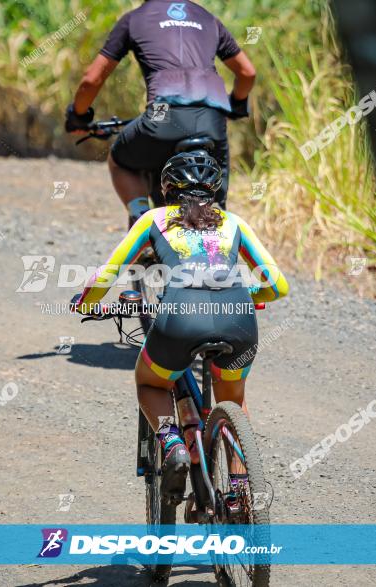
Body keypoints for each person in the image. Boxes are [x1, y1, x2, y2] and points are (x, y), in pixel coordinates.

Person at [72, 151, 288, 499]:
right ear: (216, 189)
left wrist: (87, 302)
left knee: (150, 383)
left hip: (181, 319)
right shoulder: (234, 223)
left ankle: (173, 443)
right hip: (239, 320)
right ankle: (240, 492)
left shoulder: (153, 219)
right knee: (234, 400)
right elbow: (278, 286)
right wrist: (248, 290)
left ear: (166, 187)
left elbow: (108, 273)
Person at [64, 0, 257, 224]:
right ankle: (218, 234)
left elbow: (92, 79)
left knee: (120, 160)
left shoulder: (134, 19)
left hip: (162, 113)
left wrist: (79, 116)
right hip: (212, 115)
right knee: (215, 202)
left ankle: (141, 220)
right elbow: (247, 73)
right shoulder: (207, 18)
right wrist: (237, 104)